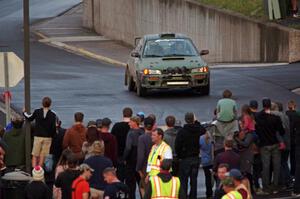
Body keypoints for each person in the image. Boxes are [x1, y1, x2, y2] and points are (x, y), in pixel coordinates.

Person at [255, 98, 285, 194]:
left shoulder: (258, 117)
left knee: (266, 166)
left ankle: (266, 187)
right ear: (270, 106)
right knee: (276, 165)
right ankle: (275, 186)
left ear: (263, 105)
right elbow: (281, 131)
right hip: (275, 143)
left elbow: (256, 129)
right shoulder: (275, 118)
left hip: (264, 144)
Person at [175, 112, 206, 199]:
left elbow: (177, 145)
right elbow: (203, 129)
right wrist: (196, 122)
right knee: (194, 181)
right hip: (195, 157)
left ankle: (184, 196)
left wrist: (180, 155)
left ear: (185, 120)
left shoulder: (182, 131)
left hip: (185, 159)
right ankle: (193, 196)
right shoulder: (198, 129)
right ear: (193, 119)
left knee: (184, 181)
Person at [23, 96, 56, 167]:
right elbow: (53, 127)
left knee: (35, 154)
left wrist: (24, 112)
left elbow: (29, 118)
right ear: (50, 104)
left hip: (38, 136)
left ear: (42, 103)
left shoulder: (37, 111)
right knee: (43, 155)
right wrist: (52, 136)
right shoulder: (53, 114)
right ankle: (40, 170)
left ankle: (34, 170)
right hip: (47, 137)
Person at [271, 102, 292, 188]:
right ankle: (287, 181)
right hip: (287, 142)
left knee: (280, 163)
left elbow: (278, 131)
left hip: (280, 143)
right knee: (284, 163)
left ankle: (282, 182)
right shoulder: (286, 116)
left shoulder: (277, 117)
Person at [123, 116, 144, 199]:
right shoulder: (142, 132)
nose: (129, 123)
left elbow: (128, 147)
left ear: (135, 123)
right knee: (141, 183)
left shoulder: (131, 133)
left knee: (130, 184)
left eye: (130, 122)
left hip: (131, 160)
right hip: (141, 161)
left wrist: (124, 158)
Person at [111, 107, 132, 182]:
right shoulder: (133, 127)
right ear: (131, 115)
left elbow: (112, 139)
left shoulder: (117, 126)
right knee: (130, 180)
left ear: (123, 114)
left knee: (120, 177)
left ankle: (121, 192)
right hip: (131, 156)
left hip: (119, 155)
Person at [136, 116, 155, 197]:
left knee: (145, 188)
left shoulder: (142, 138)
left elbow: (141, 155)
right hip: (155, 166)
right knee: (143, 186)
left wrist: (138, 169)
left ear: (144, 126)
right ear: (153, 125)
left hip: (145, 167)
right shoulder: (157, 136)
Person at [200, 132, 214, 199]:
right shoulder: (211, 138)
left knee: (207, 178)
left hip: (204, 161)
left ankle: (208, 194)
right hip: (211, 160)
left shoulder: (201, 138)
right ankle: (213, 191)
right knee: (213, 177)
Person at [286, 100, 298, 177]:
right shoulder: (297, 114)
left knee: (286, 157)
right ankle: (293, 172)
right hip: (295, 138)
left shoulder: (286, 114)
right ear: (295, 106)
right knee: (294, 156)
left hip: (287, 137)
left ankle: (288, 173)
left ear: (288, 106)